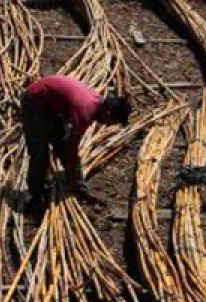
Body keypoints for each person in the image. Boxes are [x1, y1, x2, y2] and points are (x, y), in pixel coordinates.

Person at [19, 74, 131, 216]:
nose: (108, 125)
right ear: (108, 113)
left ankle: (80, 189)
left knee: (61, 142)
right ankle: (35, 197)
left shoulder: (94, 102)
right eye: (111, 122)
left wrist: (79, 186)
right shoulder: (85, 110)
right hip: (34, 102)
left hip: (52, 105)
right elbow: (71, 151)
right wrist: (74, 176)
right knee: (39, 154)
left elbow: (69, 149)